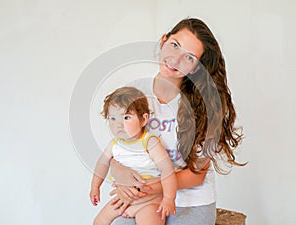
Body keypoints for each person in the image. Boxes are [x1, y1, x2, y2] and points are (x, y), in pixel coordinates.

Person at [109, 18, 245, 225]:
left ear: (196, 68)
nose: (175, 59)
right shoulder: (134, 94)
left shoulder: (204, 105)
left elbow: (196, 175)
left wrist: (145, 188)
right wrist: (119, 173)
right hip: (144, 199)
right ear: (163, 41)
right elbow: (119, 147)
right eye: (174, 45)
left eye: (189, 57)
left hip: (190, 202)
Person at [90, 86, 177, 225]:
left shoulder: (149, 142)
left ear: (143, 119)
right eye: (113, 118)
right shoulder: (114, 144)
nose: (119, 124)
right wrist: (95, 187)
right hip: (123, 199)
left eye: (126, 117)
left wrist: (168, 198)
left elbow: (167, 170)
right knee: (99, 221)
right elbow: (102, 164)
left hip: (149, 202)